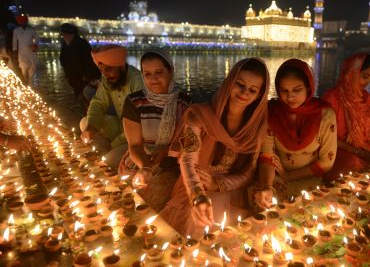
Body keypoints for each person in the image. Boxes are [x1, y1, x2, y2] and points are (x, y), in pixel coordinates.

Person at [160, 58, 269, 237]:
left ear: (259, 95)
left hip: (231, 189)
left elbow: (249, 171)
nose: (244, 93)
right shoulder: (199, 115)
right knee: (201, 226)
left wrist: (219, 184)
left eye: (253, 90)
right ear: (229, 82)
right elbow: (188, 160)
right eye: (240, 84)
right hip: (195, 185)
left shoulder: (256, 126)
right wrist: (198, 196)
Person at [254, 58, 337, 209]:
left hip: (309, 179)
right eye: (284, 91)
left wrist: (289, 176)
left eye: (297, 90)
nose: (290, 97)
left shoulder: (325, 114)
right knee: (263, 201)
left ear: (308, 87)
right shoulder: (271, 112)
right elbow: (266, 155)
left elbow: (326, 162)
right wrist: (267, 185)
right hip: (275, 178)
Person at [120, 50, 191, 212]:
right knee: (126, 199)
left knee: (152, 202)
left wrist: (167, 151)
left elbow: (188, 141)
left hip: (172, 163)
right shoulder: (134, 102)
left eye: (159, 72)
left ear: (170, 71)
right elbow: (135, 145)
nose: (153, 79)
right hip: (141, 160)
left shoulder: (185, 104)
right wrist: (145, 168)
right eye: (147, 74)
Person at [80, 44, 144, 169]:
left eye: (109, 69)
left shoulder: (137, 81)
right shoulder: (108, 79)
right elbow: (98, 103)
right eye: (102, 70)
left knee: (109, 162)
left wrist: (116, 142)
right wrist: (91, 128)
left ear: (120, 65)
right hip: (120, 127)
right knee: (85, 122)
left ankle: (110, 154)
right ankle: (107, 152)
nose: (105, 74)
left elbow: (141, 123)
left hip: (137, 137)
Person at [322, 53, 370, 179]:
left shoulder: (366, 98)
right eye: (365, 76)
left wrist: (368, 151)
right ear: (352, 72)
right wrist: (359, 152)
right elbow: (325, 136)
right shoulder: (332, 97)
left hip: (364, 149)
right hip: (337, 149)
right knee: (353, 165)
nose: (368, 82)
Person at [59, 23, 101, 104]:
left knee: (87, 98)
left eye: (65, 34)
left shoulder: (82, 44)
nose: (64, 36)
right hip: (74, 78)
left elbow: (90, 61)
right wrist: (68, 76)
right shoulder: (65, 45)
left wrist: (86, 76)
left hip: (84, 78)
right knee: (80, 99)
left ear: (71, 34)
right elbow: (63, 60)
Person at [12, 15, 37, 86]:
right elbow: (14, 41)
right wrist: (14, 50)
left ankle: (30, 84)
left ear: (26, 22)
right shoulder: (16, 30)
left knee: (33, 66)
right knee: (23, 68)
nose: (22, 23)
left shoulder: (32, 30)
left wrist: (35, 46)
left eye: (24, 21)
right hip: (21, 52)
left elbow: (37, 39)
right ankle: (26, 84)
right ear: (19, 22)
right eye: (21, 22)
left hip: (31, 51)